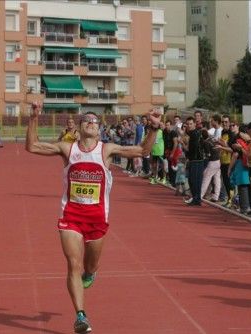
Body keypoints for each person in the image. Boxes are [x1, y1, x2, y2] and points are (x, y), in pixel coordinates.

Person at [25, 102, 161, 333]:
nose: (90, 122)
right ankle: (80, 316)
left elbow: (142, 151)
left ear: (99, 130)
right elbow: (32, 146)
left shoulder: (106, 150)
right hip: (71, 216)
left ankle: (91, 272)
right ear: (78, 128)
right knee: (73, 265)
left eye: (94, 121)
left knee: (90, 265)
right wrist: (33, 118)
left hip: (97, 219)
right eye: (86, 119)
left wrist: (154, 128)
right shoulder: (68, 149)